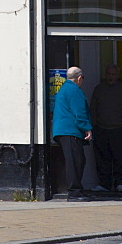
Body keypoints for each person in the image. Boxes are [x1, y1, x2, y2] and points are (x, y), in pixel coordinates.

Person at [52, 66, 92, 200]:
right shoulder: (74, 90)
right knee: (75, 161)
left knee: (77, 160)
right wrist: (86, 127)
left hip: (63, 130)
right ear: (79, 78)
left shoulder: (64, 88)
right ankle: (74, 192)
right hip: (71, 131)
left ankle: (76, 189)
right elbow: (79, 112)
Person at [90, 64, 122, 192]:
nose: (111, 77)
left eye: (113, 74)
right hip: (101, 129)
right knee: (102, 158)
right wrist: (93, 126)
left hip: (119, 129)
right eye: (109, 74)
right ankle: (104, 184)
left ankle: (120, 183)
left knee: (120, 158)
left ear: (117, 75)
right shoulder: (99, 89)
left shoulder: (121, 89)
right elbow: (93, 108)